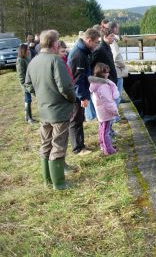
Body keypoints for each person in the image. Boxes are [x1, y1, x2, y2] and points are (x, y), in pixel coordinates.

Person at [24, 29, 76, 190]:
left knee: (45, 144)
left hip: (44, 110)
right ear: (54, 43)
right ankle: (59, 183)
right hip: (59, 110)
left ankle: (47, 180)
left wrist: (40, 96)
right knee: (58, 145)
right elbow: (65, 87)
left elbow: (28, 85)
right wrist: (72, 100)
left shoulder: (34, 61)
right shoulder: (56, 61)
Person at [67, 28, 101, 155]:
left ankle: (81, 145)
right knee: (75, 120)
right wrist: (82, 97)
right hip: (75, 94)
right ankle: (77, 149)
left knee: (79, 119)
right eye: (96, 42)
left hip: (79, 92)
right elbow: (77, 79)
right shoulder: (79, 54)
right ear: (88, 40)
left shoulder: (83, 51)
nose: (97, 45)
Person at [89, 62, 119, 155]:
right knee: (106, 131)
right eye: (106, 72)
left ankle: (103, 145)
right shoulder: (103, 86)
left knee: (102, 129)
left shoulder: (96, 84)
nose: (108, 74)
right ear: (101, 73)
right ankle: (108, 150)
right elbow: (108, 101)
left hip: (101, 111)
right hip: (106, 112)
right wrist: (114, 111)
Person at [109, 22, 129, 104]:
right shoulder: (113, 42)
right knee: (117, 91)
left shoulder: (112, 41)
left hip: (114, 69)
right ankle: (115, 114)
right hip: (117, 70)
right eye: (118, 28)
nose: (119, 30)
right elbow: (116, 56)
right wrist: (123, 65)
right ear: (114, 29)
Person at [16, 43, 35, 123]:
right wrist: (25, 85)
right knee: (28, 100)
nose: (28, 50)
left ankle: (29, 117)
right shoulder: (20, 60)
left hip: (30, 82)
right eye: (27, 49)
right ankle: (28, 118)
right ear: (23, 50)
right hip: (25, 84)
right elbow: (21, 75)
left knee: (29, 100)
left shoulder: (27, 58)